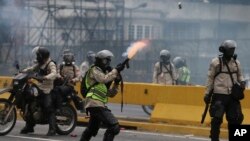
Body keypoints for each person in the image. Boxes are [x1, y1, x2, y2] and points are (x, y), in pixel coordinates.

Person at [204, 40, 245, 141]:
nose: (232, 52)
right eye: (230, 49)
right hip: (219, 95)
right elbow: (210, 78)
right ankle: (214, 138)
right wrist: (207, 93)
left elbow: (240, 75)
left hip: (233, 96)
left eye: (233, 50)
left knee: (237, 118)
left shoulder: (236, 62)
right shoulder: (216, 62)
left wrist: (242, 82)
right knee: (216, 119)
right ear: (224, 50)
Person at [80, 50, 125, 141]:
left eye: (108, 61)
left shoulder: (102, 81)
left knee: (91, 130)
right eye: (105, 61)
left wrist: (116, 83)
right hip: (94, 104)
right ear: (100, 60)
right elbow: (104, 79)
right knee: (114, 126)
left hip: (97, 105)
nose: (107, 63)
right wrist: (116, 70)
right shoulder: (94, 69)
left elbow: (111, 94)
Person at [20, 46, 57, 136]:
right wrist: (23, 71)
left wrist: (45, 77)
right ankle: (29, 126)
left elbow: (54, 73)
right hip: (39, 86)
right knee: (30, 103)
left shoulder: (50, 63)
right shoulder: (41, 63)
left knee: (48, 107)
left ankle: (52, 129)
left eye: (38, 55)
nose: (37, 57)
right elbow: (32, 68)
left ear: (42, 56)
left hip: (47, 89)